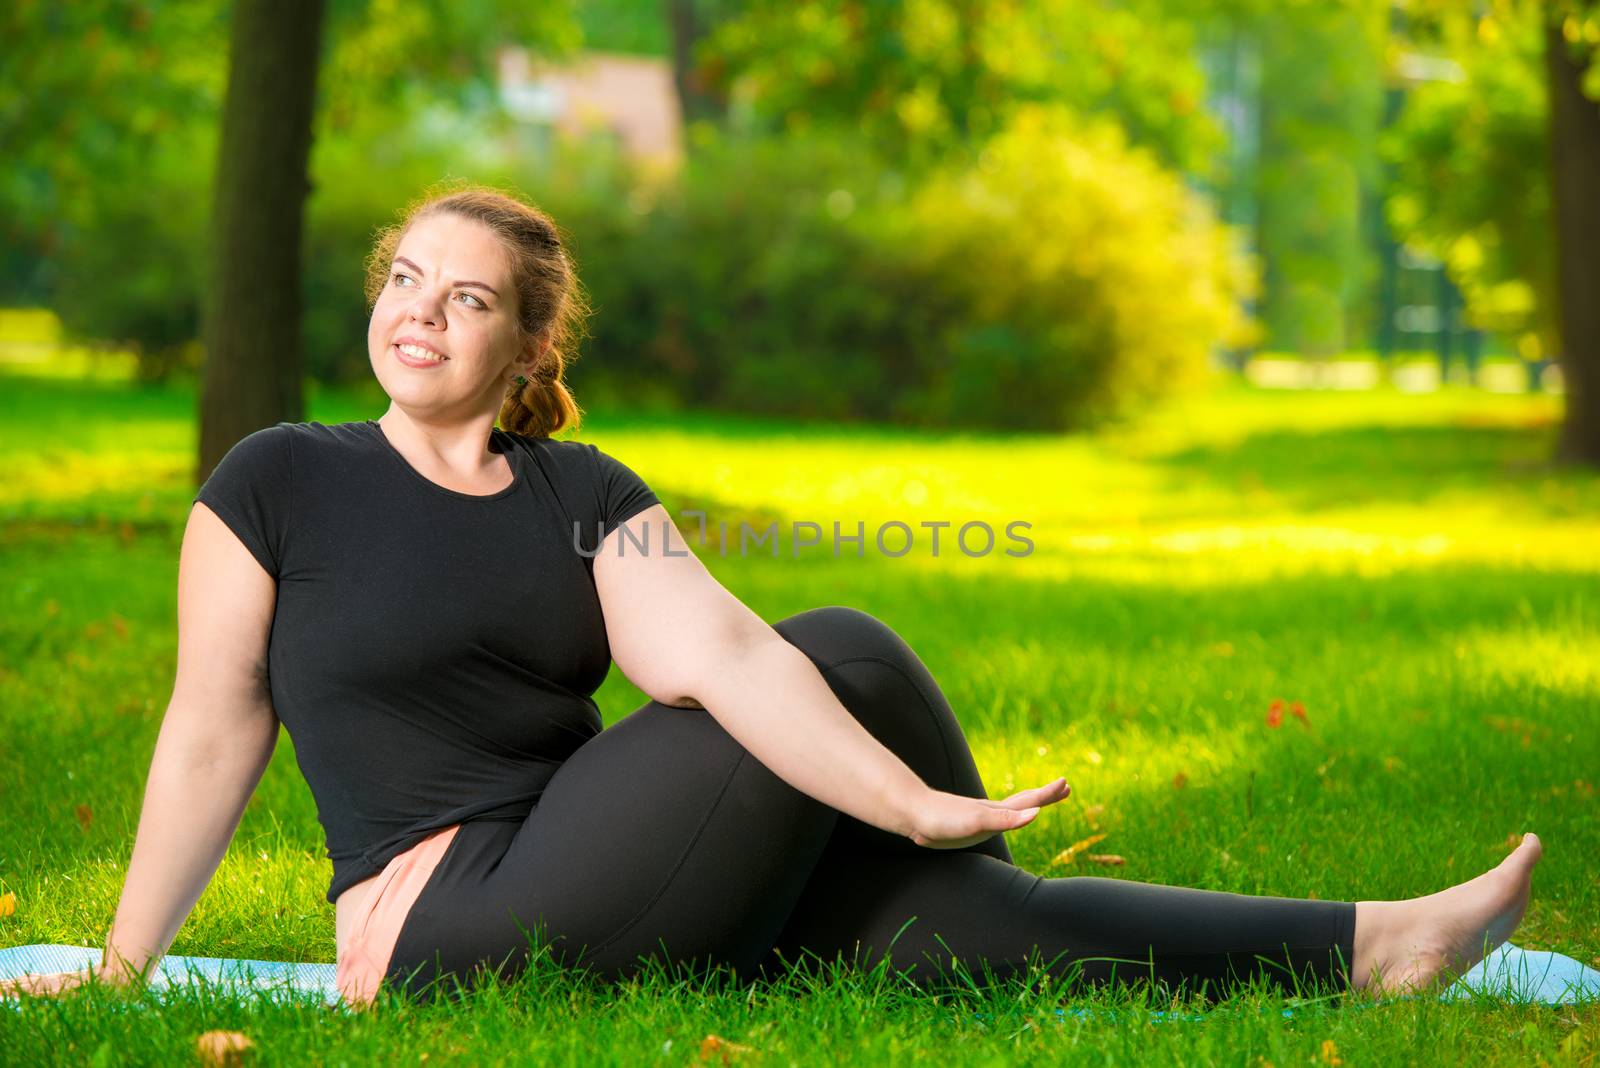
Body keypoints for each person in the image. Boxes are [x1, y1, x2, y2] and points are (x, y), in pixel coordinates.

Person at [1, 184, 1543, 1007]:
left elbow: (721, 656)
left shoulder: (582, 496)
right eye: (406, 277)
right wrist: (128, 964)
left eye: (467, 297)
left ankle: (1372, 945)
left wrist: (904, 807)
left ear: (528, 349)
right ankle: (954, 858)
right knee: (860, 701)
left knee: (908, 815)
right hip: (440, 921)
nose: (421, 313)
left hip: (594, 868)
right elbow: (213, 731)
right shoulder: (276, 481)